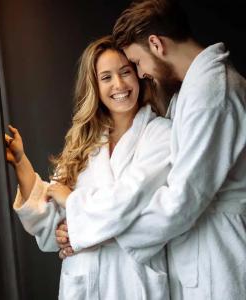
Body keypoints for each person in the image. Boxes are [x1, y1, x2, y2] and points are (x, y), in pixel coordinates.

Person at [57, 1, 246, 299]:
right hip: (199, 252)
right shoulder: (192, 91)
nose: (142, 73)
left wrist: (97, 234)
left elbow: (182, 200)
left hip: (219, 254)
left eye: (136, 63)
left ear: (156, 44)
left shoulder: (212, 93)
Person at [5, 35, 172, 300]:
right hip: (84, 283)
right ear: (94, 85)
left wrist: (73, 205)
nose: (119, 84)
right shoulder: (83, 142)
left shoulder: (161, 135)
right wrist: (21, 162)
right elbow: (51, 229)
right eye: (106, 77)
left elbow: (128, 203)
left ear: (139, 75)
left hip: (133, 283)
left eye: (125, 72)